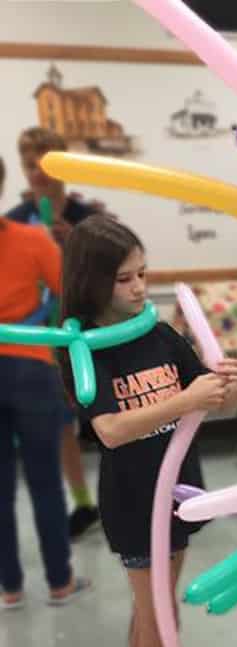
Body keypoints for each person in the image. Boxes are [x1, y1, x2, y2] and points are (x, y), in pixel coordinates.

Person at [59, 216, 237, 647]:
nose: (139, 287)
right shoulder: (84, 351)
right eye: (124, 278)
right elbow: (109, 430)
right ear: (91, 282)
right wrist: (185, 400)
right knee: (159, 619)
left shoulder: (161, 336)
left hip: (179, 493)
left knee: (160, 613)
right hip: (135, 500)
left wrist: (232, 384)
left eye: (142, 274)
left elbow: (220, 407)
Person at [6, 127, 111, 540]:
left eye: (46, 162)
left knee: (108, 413)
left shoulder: (88, 217)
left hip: (87, 331)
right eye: (30, 164)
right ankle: (84, 502)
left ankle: (127, 491)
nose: (38, 172)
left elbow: (113, 273)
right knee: (61, 425)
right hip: (35, 340)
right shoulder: (13, 224)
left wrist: (76, 247)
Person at [0, 154, 90, 610]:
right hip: (32, 367)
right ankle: (59, 581)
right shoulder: (32, 239)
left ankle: (10, 588)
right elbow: (67, 295)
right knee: (45, 480)